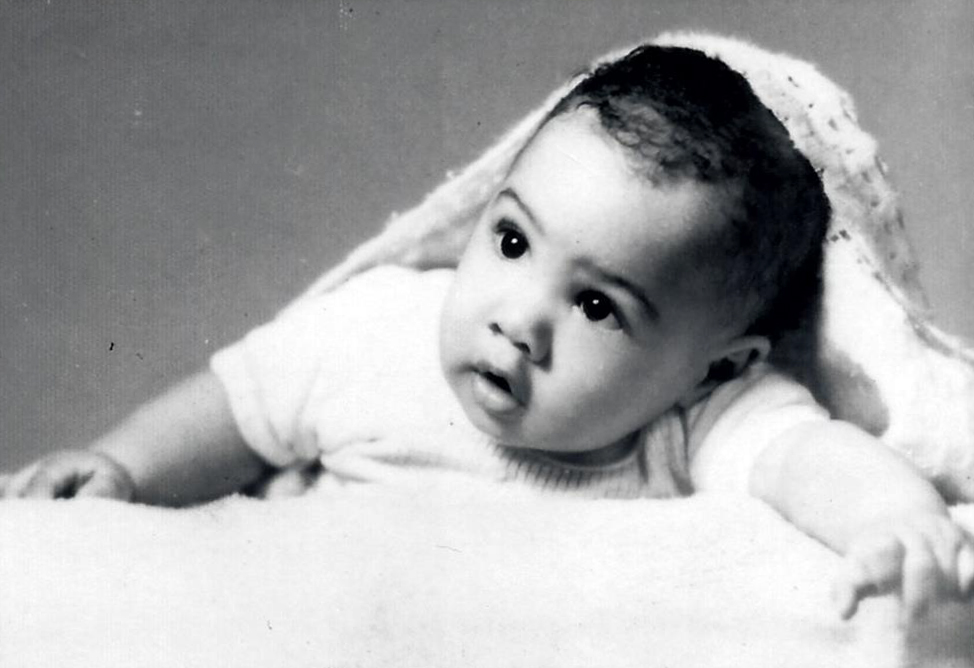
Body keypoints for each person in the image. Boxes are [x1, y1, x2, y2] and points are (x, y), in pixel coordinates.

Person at [3, 45, 972, 623]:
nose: (519, 317)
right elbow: (235, 407)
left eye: (597, 306)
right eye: (511, 241)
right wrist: (124, 469)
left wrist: (891, 520)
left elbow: (813, 459)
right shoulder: (378, 332)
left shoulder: (702, 418)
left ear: (715, 361)